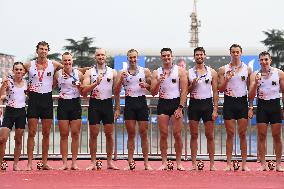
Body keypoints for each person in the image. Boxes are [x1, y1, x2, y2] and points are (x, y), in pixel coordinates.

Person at [24, 41, 63, 170]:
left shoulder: (54, 64)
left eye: (45, 49)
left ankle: (44, 162)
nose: (43, 51)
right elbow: (17, 76)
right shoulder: (28, 65)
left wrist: (56, 81)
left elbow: (68, 70)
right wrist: (24, 88)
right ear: (37, 51)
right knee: (32, 133)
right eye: (41, 49)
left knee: (46, 133)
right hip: (34, 100)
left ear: (48, 51)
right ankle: (29, 163)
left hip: (47, 100)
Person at [150, 48, 188, 170]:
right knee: (163, 134)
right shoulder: (156, 72)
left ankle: (179, 163)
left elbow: (184, 91)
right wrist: (158, 83)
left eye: (168, 56)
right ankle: (164, 162)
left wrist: (180, 107)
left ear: (172, 57)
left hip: (176, 103)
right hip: (163, 103)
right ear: (161, 57)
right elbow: (153, 92)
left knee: (177, 134)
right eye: (164, 56)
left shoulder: (180, 71)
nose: (166, 58)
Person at [114, 49, 152, 170]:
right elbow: (116, 90)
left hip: (141, 102)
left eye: (134, 57)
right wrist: (121, 79)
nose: (133, 59)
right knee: (131, 134)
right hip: (129, 103)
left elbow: (153, 89)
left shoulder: (144, 71)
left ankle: (146, 163)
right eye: (130, 57)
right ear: (127, 58)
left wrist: (146, 85)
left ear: (138, 58)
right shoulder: (122, 72)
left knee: (144, 133)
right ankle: (130, 162)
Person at [82, 48, 119, 170]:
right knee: (93, 134)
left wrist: (117, 108)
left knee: (109, 134)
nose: (100, 57)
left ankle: (109, 162)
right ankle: (93, 162)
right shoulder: (89, 72)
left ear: (106, 57)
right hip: (94, 104)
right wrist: (95, 84)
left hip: (107, 104)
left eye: (102, 55)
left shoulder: (113, 72)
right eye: (98, 55)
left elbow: (117, 92)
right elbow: (84, 90)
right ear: (95, 57)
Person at [218, 44, 251, 171]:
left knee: (242, 134)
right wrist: (226, 80)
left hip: (242, 103)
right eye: (233, 52)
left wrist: (250, 107)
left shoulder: (247, 69)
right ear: (230, 53)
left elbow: (250, 90)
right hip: (229, 102)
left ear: (241, 53)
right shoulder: (223, 69)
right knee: (230, 134)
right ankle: (228, 164)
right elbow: (220, 89)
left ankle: (244, 164)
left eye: (237, 52)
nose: (235, 54)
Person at [249, 51, 284, 171]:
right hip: (262, 106)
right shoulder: (255, 74)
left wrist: (283, 108)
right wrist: (255, 85)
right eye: (261, 60)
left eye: (266, 59)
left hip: (275, 106)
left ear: (270, 60)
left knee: (277, 136)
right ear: (259, 61)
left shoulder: (279, 73)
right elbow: (251, 96)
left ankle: (279, 164)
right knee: (261, 136)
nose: (264, 62)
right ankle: (263, 164)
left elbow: (283, 92)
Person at [187, 47, 218, 171]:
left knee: (210, 135)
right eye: (197, 55)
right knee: (194, 135)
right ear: (194, 57)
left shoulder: (212, 72)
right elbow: (185, 91)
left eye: (201, 54)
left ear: (205, 56)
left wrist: (215, 109)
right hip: (194, 104)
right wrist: (192, 85)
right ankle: (193, 164)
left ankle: (212, 164)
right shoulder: (188, 72)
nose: (199, 56)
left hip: (207, 104)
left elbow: (215, 92)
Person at [54, 52, 84, 170]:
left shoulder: (79, 74)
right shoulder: (57, 74)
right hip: (63, 104)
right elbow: (51, 85)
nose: (67, 62)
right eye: (65, 60)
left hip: (75, 103)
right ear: (62, 62)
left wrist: (79, 86)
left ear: (72, 61)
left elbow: (83, 91)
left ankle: (74, 163)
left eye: (69, 60)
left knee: (75, 134)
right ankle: (64, 163)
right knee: (63, 135)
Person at [0, 62, 27, 171]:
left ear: (23, 72)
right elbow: (0, 94)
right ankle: (1, 163)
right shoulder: (9, 82)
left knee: (18, 140)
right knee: (2, 139)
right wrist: (3, 85)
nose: (19, 71)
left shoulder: (27, 83)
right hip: (10, 112)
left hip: (21, 112)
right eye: (16, 69)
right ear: (13, 71)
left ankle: (15, 165)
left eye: (20, 69)